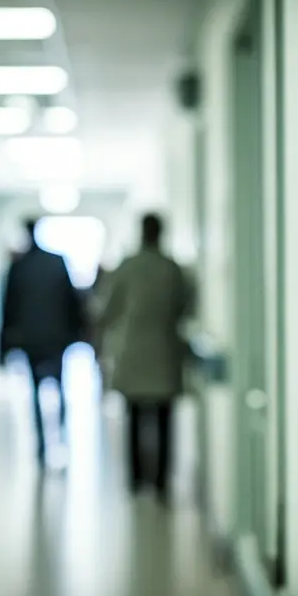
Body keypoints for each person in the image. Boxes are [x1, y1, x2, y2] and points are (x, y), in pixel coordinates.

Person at [97, 213, 192, 502]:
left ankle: (137, 479)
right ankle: (161, 481)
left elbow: (107, 310)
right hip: (163, 350)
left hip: (134, 352)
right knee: (164, 418)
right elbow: (185, 306)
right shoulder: (171, 268)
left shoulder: (127, 267)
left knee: (135, 416)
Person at [0, 218, 86, 466]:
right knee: (59, 384)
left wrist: (4, 344)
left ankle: (41, 442)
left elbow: (8, 307)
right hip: (56, 336)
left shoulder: (19, 267)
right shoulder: (56, 262)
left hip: (30, 338)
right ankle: (59, 430)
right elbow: (72, 300)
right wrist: (78, 331)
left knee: (36, 389)